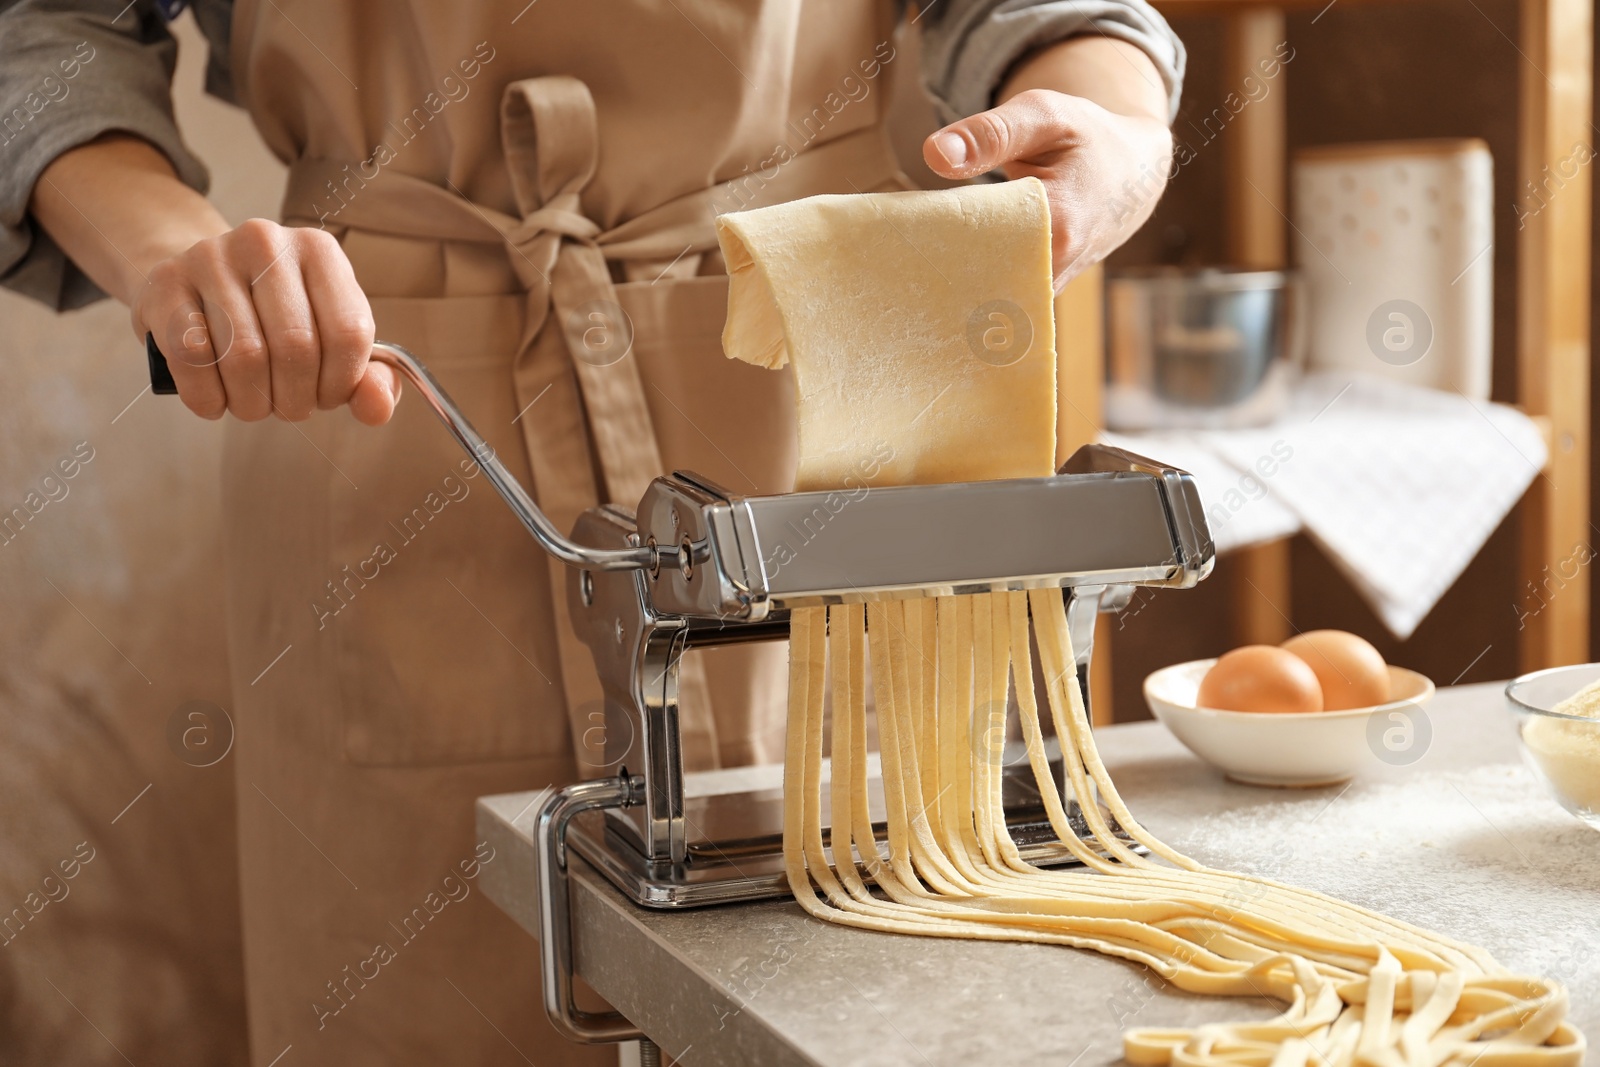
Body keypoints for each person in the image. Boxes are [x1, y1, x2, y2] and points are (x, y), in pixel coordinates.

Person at [0, 0, 1185, 1063]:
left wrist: (1116, 122)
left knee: (859, 965)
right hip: (383, 390)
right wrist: (173, 254)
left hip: (822, 376)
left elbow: (1046, 16)